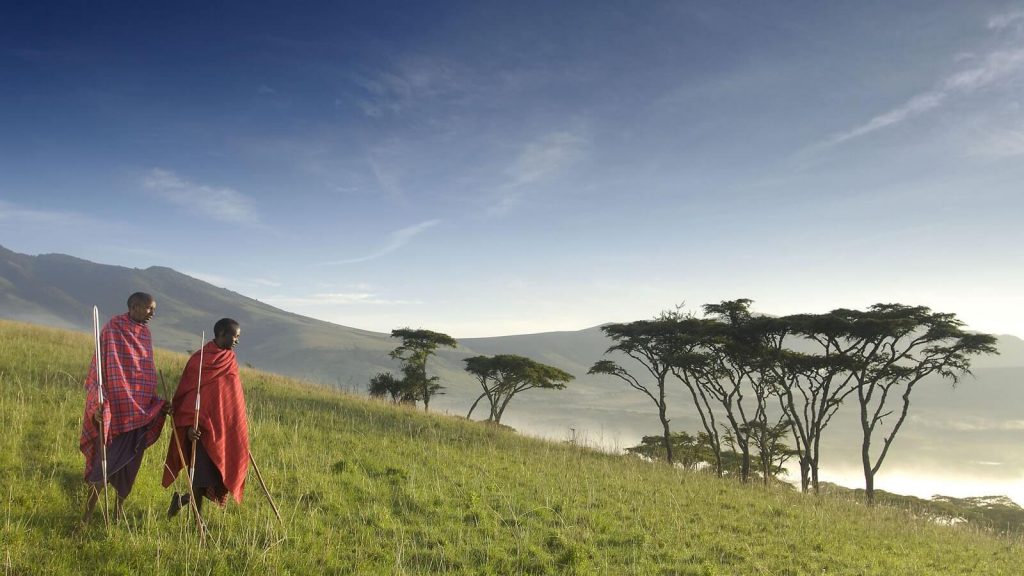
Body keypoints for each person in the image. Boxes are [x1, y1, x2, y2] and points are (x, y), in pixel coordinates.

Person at [80, 292, 167, 524]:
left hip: (140, 413)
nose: (152, 313)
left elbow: (146, 374)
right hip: (115, 412)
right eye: (149, 308)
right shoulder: (112, 329)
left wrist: (156, 405)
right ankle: (86, 517)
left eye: (153, 309)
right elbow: (100, 369)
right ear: (134, 306)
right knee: (103, 466)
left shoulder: (146, 335)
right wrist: (98, 405)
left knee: (130, 467)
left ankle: (118, 512)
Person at [163, 318, 249, 518]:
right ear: (220, 333)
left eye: (238, 337)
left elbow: (231, 399)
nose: (236, 341)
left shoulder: (230, 360)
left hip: (222, 430)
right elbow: (187, 396)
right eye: (234, 336)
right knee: (199, 476)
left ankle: (182, 500)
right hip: (199, 430)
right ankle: (198, 521)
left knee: (213, 477)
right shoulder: (199, 360)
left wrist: (235, 426)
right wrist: (189, 426)